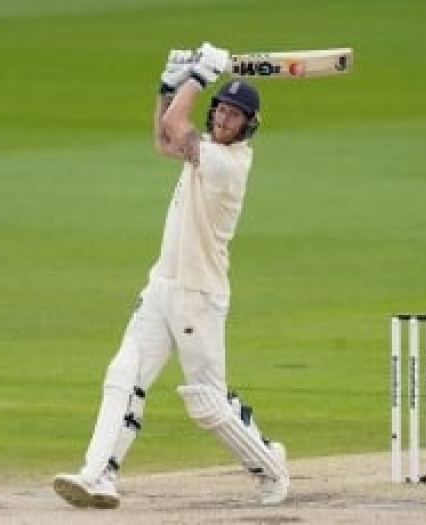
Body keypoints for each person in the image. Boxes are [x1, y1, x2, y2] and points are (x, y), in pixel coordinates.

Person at [52, 42, 288, 509]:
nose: (223, 118)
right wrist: (167, 88)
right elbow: (164, 139)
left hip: (198, 295)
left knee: (207, 403)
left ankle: (271, 469)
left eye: (234, 115)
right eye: (221, 109)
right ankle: (98, 475)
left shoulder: (227, 164)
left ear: (248, 126)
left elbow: (177, 125)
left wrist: (196, 78)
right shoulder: (206, 149)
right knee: (124, 373)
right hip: (162, 286)